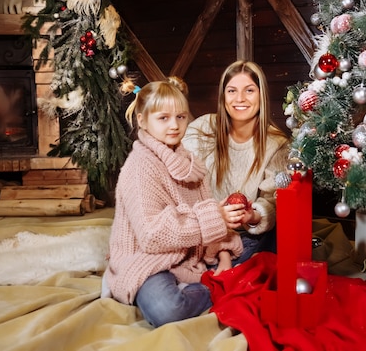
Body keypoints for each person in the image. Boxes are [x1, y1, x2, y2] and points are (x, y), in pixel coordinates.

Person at [103, 76, 243, 328]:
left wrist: (223, 256)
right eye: (163, 118)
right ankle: (204, 289)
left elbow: (209, 218)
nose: (174, 126)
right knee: (166, 310)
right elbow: (152, 236)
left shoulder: (190, 163)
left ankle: (198, 282)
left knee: (256, 251)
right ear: (142, 120)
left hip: (187, 256)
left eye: (180, 117)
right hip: (147, 260)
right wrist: (215, 217)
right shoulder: (140, 168)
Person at [182, 60, 290, 265]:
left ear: (261, 95)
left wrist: (253, 216)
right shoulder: (202, 129)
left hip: (249, 237)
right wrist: (214, 215)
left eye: (249, 90)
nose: (239, 99)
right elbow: (181, 183)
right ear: (223, 97)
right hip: (205, 232)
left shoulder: (276, 143)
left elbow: (272, 203)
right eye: (232, 91)